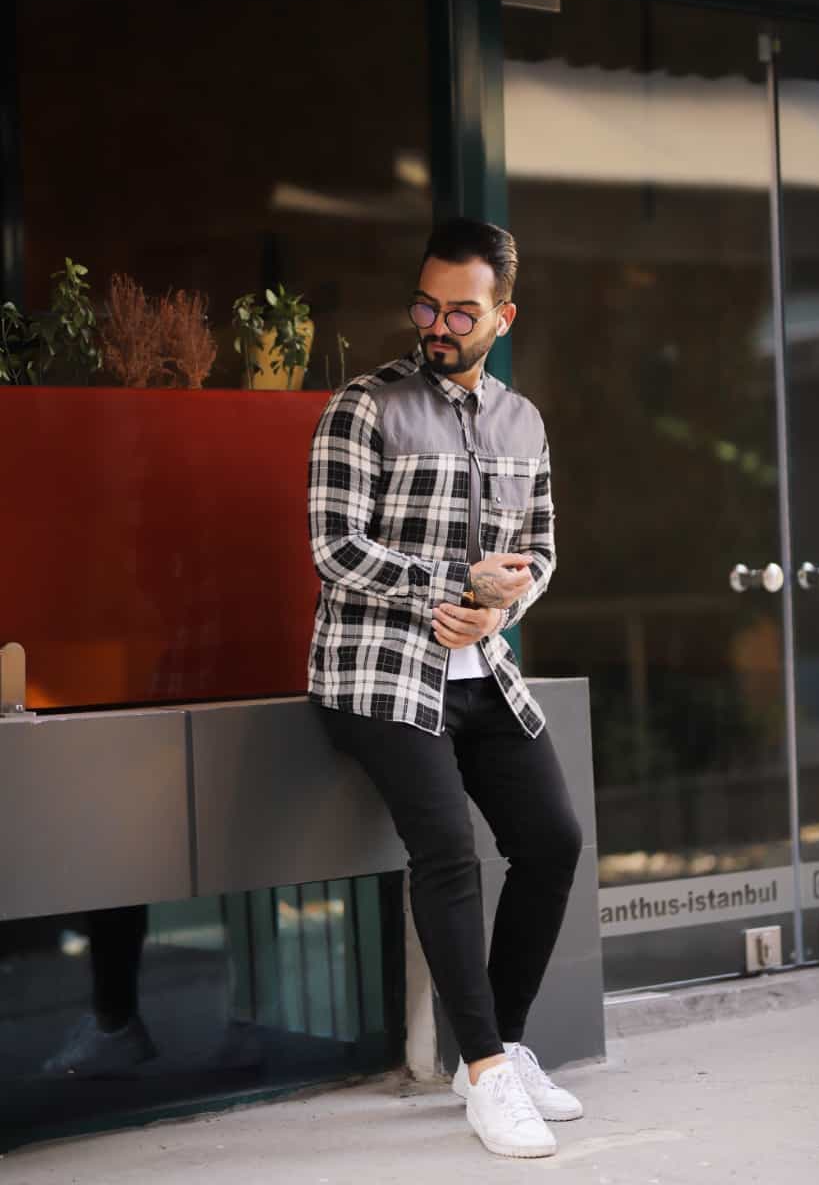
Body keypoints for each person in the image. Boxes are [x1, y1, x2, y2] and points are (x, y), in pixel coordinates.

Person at [307, 217, 583, 1159]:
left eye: (460, 311)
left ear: (501, 315)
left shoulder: (524, 420)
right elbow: (335, 548)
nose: (436, 323)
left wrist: (506, 608)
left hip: (482, 671)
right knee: (449, 854)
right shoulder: (362, 407)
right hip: (377, 674)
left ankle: (502, 1044)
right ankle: (483, 1077)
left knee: (551, 840)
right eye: (425, 304)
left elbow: (540, 550)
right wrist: (451, 592)